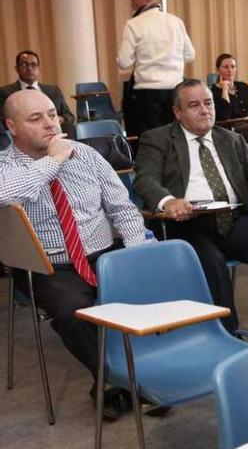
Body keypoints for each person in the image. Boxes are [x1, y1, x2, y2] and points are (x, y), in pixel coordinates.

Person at [0, 90, 147, 419]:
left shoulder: (86, 155)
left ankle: (135, 375)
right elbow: (5, 195)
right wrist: (53, 162)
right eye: (35, 119)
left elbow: (124, 210)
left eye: (52, 114)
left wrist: (138, 255)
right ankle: (117, 379)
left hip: (105, 253)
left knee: (148, 289)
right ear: (11, 126)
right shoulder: (5, 167)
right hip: (48, 265)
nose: (50, 124)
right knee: (72, 312)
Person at [133, 79, 248, 333]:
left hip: (232, 219)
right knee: (213, 263)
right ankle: (228, 335)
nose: (205, 110)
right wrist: (169, 201)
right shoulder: (157, 139)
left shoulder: (231, 139)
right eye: (194, 105)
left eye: (208, 103)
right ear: (178, 112)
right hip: (188, 224)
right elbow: (146, 179)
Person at [116, 0, 195, 138]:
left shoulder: (134, 24)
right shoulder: (175, 21)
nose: (131, 4)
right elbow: (190, 54)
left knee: (153, 140)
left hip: (148, 93)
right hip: (176, 90)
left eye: (131, 0)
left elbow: (124, 62)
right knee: (176, 137)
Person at [0, 50, 75, 136]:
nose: (29, 68)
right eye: (24, 64)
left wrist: (59, 119)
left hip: (54, 134)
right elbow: (3, 121)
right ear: (16, 68)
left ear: (38, 68)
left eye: (33, 65)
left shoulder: (53, 90)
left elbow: (69, 116)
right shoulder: (5, 92)